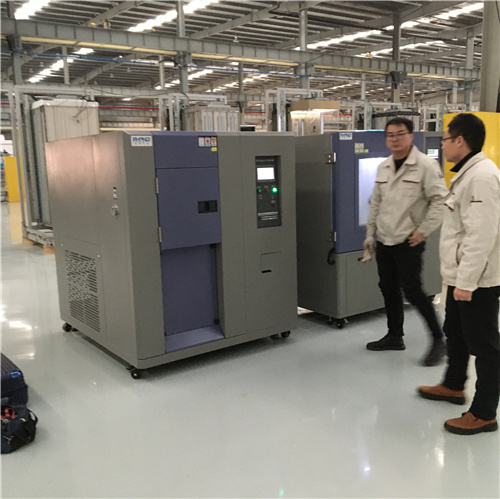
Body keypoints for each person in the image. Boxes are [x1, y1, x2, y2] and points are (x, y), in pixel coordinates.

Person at [418, 113, 500, 435]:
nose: (442, 145)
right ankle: (453, 385)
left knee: (485, 345)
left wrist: (466, 283)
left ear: (460, 141)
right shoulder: (467, 174)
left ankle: (484, 413)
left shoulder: (482, 177)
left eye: (445, 139)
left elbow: (481, 235)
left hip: (476, 281)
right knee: (456, 331)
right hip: (460, 277)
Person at [364, 117, 448, 366]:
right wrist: (370, 234)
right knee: (388, 287)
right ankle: (394, 336)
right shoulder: (384, 167)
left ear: (411, 136)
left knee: (413, 290)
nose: (395, 139)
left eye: (400, 134)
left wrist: (423, 230)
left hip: (409, 239)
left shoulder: (425, 165)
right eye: (390, 135)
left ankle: (438, 339)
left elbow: (440, 200)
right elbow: (375, 203)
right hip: (385, 238)